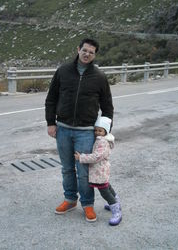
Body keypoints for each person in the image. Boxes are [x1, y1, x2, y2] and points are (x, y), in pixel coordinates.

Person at [45, 38, 113, 222]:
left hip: (86, 131)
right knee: (67, 169)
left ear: (95, 54)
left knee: (83, 171)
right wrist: (51, 122)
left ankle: (88, 204)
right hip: (63, 129)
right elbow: (51, 98)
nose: (87, 54)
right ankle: (70, 199)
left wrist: (105, 133)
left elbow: (108, 107)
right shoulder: (63, 71)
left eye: (91, 52)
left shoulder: (99, 77)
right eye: (84, 50)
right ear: (78, 49)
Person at [74, 116, 122, 226]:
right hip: (101, 170)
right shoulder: (103, 139)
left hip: (99, 170)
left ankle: (116, 211)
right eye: (96, 130)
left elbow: (96, 157)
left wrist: (81, 157)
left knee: (104, 191)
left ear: (106, 131)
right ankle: (116, 204)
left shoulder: (103, 142)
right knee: (107, 187)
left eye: (100, 130)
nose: (97, 133)